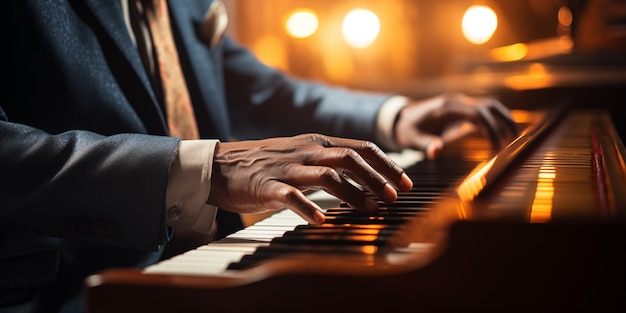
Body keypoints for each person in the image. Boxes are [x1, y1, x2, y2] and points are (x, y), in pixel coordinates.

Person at [1, 0, 518, 312]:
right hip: (63, 290)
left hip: (205, 265)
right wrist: (205, 168)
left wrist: (393, 115)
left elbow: (254, 87)